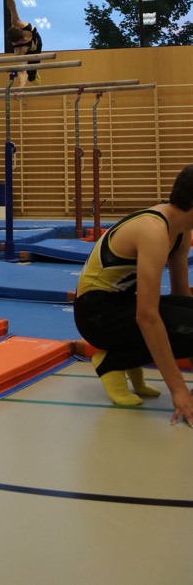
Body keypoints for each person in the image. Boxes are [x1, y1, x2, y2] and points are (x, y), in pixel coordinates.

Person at [73, 164, 193, 426]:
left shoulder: (182, 231)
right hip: (95, 316)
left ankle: (124, 359)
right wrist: (179, 390)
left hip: (119, 305)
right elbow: (147, 317)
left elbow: (182, 296)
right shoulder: (153, 230)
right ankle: (112, 362)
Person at [0, 0, 43, 86]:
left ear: (20, 30)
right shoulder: (19, 50)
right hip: (28, 50)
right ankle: (32, 77)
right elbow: (22, 71)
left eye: (24, 37)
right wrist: (21, 89)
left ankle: (33, 75)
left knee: (32, 74)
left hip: (36, 44)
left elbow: (12, 7)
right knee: (27, 72)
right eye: (23, 40)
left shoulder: (17, 23)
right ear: (17, 43)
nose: (25, 39)